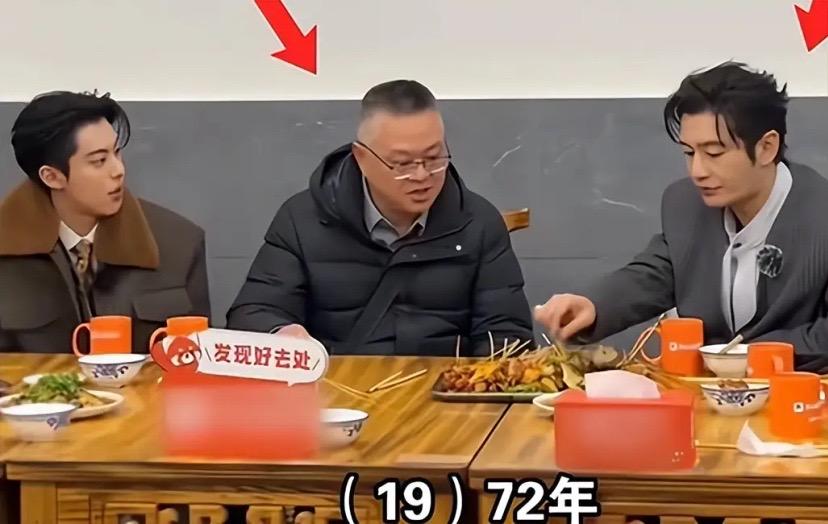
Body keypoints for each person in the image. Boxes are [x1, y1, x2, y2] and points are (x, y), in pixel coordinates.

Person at [534, 61, 828, 376]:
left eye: (714, 153)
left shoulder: (819, 213)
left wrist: (741, 357)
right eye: (689, 153)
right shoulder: (684, 203)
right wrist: (593, 306)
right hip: (703, 396)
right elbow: (656, 272)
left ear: (767, 147)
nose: (697, 171)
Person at [227, 80, 534, 355]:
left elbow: (507, 335)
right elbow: (253, 313)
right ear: (362, 158)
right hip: (336, 389)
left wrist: (478, 382)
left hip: (446, 391)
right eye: (402, 163)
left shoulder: (478, 223)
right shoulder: (303, 219)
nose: (421, 176)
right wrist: (281, 333)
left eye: (433, 158)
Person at [0, 90, 211, 353]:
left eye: (117, 153)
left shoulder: (180, 243)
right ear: (52, 177)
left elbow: (196, 359)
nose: (118, 170)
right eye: (99, 161)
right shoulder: (7, 249)